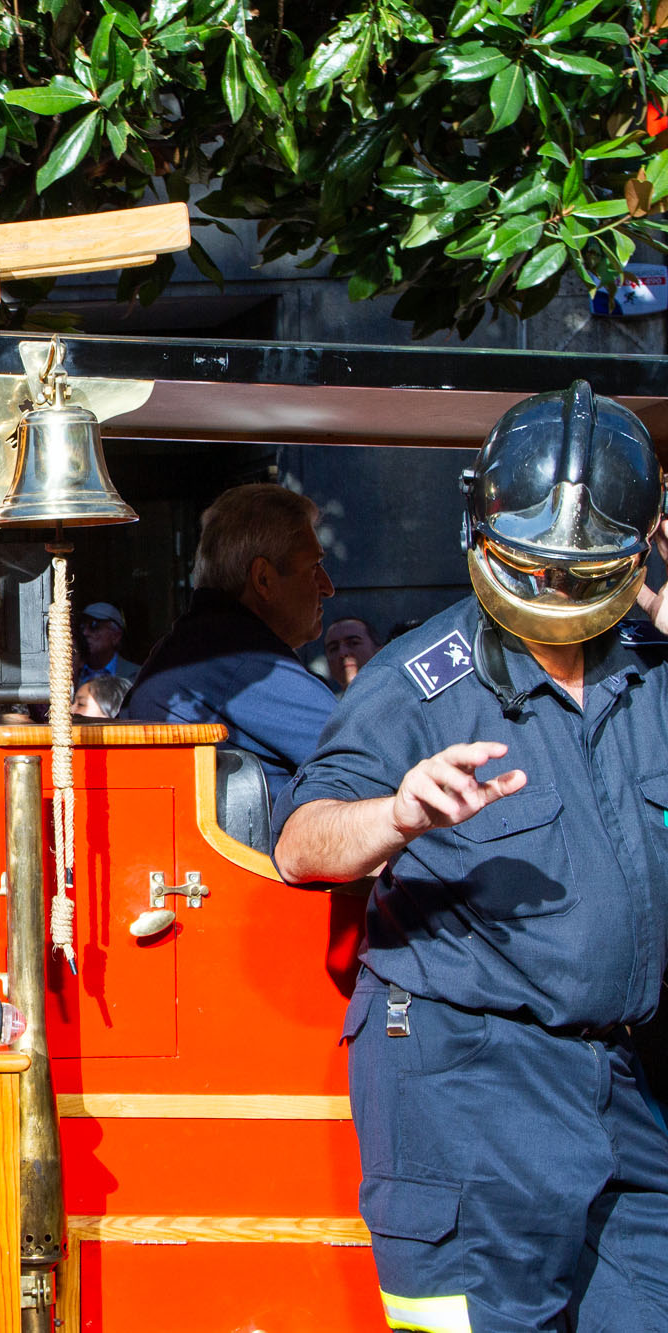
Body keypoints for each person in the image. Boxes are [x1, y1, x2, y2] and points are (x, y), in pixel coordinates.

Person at [272, 381, 668, 1333]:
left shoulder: (649, 665)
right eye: (532, 569)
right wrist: (398, 813)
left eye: (581, 575)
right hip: (468, 1081)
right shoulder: (421, 678)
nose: (553, 593)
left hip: (622, 1085)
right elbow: (300, 843)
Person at [120, 483, 336, 784]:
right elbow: (372, 758)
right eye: (314, 567)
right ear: (263, 580)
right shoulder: (242, 660)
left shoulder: (199, 644)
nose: (328, 587)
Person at [76, 601, 141, 681]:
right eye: (82, 627)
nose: (85, 633)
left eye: (94, 626)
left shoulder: (136, 676)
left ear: (116, 636)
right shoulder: (69, 673)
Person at [323, 614, 381, 690]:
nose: (342, 653)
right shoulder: (325, 701)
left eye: (353, 643)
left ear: (379, 652)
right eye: (333, 648)